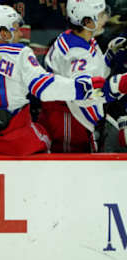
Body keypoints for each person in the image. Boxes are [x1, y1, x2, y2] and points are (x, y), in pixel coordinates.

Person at [0, 5, 106, 155]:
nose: (20, 33)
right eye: (15, 28)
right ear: (3, 32)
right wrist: (81, 88)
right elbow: (44, 88)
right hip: (17, 142)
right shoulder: (19, 54)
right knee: (46, 137)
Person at [39, 0, 111, 152]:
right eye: (100, 15)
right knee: (69, 165)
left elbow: (95, 73)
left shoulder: (81, 38)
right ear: (86, 21)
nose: (106, 18)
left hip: (71, 115)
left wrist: (109, 58)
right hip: (68, 117)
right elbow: (83, 96)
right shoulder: (77, 54)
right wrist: (112, 90)